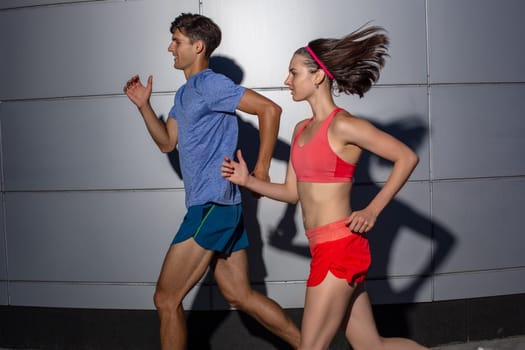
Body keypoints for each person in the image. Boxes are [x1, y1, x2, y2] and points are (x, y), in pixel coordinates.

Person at [222, 25, 429, 350]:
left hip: (339, 251)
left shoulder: (344, 125)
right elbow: (292, 193)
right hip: (324, 248)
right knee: (371, 346)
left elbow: (406, 157)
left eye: (294, 72)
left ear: (318, 76)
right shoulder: (302, 128)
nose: (287, 80)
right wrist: (248, 181)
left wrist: (373, 209)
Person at [123, 13, 300, 350]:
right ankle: (311, 344)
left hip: (212, 205)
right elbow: (166, 142)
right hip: (218, 206)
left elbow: (269, 110)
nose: (170, 48)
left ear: (198, 46)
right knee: (240, 294)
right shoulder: (184, 94)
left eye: (177, 41)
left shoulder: (209, 84)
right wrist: (144, 106)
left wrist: (261, 171)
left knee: (165, 299)